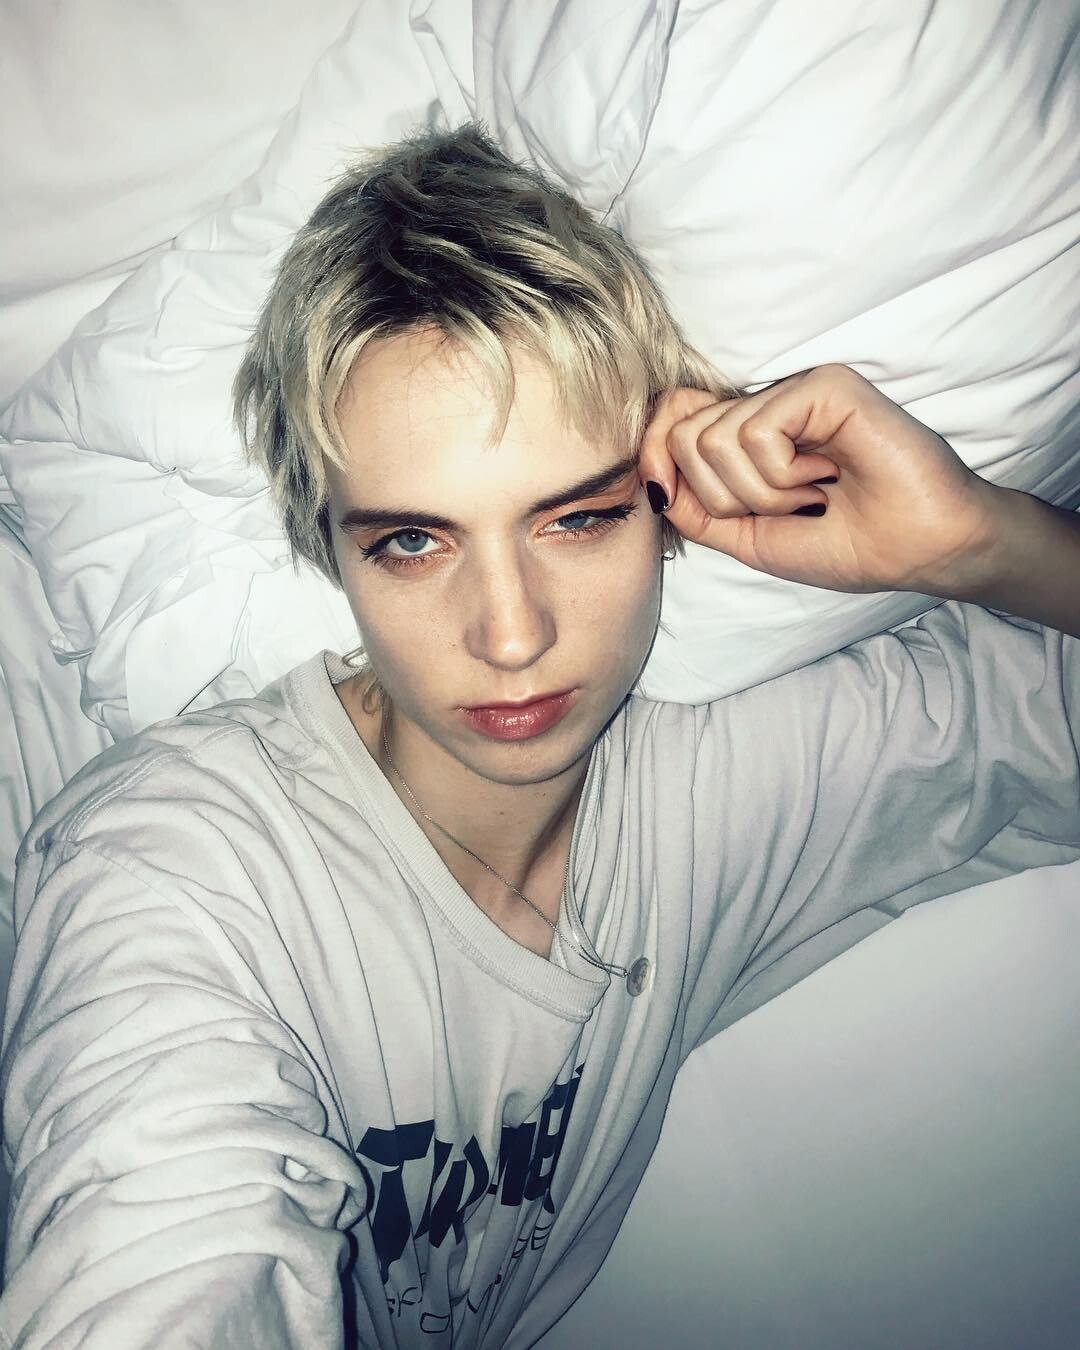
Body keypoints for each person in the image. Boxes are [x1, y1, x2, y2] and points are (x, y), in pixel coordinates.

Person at [1, 124, 1077, 1350]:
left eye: (577, 519)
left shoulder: (711, 789)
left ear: (667, 507)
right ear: (330, 548)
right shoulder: (172, 872)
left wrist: (981, 545)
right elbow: (160, 1240)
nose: (511, 636)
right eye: (414, 541)